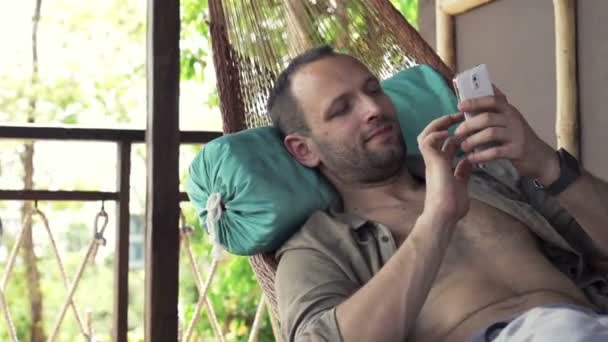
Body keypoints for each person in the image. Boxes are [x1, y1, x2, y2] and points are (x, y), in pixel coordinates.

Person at [267, 45, 608, 342]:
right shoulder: (315, 247)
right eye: (342, 109)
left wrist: (546, 164)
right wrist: (436, 220)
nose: (374, 108)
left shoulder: (486, 174)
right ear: (303, 150)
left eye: (374, 90)